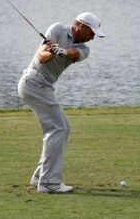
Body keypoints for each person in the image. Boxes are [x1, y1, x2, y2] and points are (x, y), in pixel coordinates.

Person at [17, 12, 105, 194]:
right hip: (33, 82)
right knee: (58, 129)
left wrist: (63, 52)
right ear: (82, 27)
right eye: (92, 33)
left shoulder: (84, 49)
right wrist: (51, 50)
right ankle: (49, 182)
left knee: (62, 127)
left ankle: (40, 175)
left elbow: (74, 54)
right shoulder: (57, 29)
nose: (93, 38)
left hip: (43, 87)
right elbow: (41, 57)